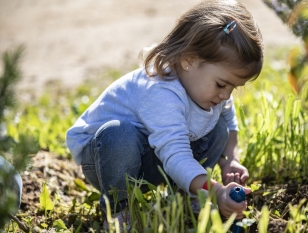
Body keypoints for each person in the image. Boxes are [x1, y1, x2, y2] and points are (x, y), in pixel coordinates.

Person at [66, 0, 263, 227]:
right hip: (108, 159)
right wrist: (215, 190)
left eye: (233, 88)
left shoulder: (207, 88)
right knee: (120, 135)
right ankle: (120, 208)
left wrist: (230, 160)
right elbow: (175, 155)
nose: (227, 95)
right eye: (222, 85)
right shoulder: (160, 91)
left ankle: (189, 196)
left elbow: (229, 122)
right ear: (189, 60)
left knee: (217, 126)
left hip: (155, 154)